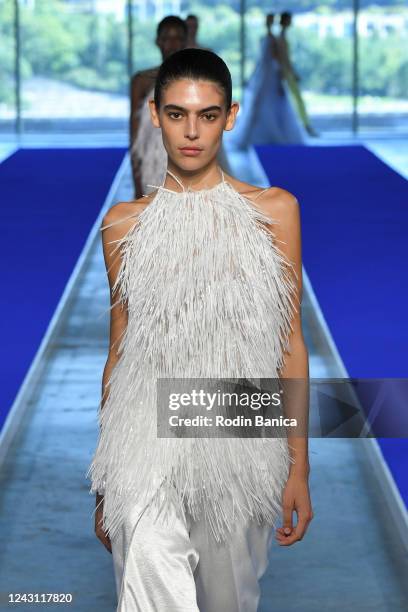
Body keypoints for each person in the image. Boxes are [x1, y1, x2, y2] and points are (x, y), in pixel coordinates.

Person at [87, 47, 312, 611]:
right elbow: (120, 348)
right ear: (155, 116)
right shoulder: (122, 225)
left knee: (227, 599)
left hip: (239, 433)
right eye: (177, 114)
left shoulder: (276, 211)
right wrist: (104, 474)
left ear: (229, 116)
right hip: (140, 441)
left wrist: (298, 463)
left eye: (207, 115)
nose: (192, 132)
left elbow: (289, 341)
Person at [130, 16, 187, 198]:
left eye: (178, 38)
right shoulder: (142, 81)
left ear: (186, 42)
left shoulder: (197, 80)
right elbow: (135, 136)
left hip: (189, 163)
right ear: (158, 41)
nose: (172, 44)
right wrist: (137, 184)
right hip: (153, 165)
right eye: (167, 38)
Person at [230, 13, 307, 149]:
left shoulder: (275, 39)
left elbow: (280, 60)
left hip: (270, 76)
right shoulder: (270, 38)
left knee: (269, 104)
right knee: (258, 104)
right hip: (263, 76)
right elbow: (262, 60)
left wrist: (284, 75)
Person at [277, 11, 318, 137]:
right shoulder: (281, 37)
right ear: (285, 21)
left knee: (293, 101)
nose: (291, 22)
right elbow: (284, 58)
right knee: (297, 100)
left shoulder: (282, 36)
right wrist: (291, 73)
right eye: (289, 19)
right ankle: (306, 126)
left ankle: (305, 125)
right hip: (286, 74)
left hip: (286, 73)